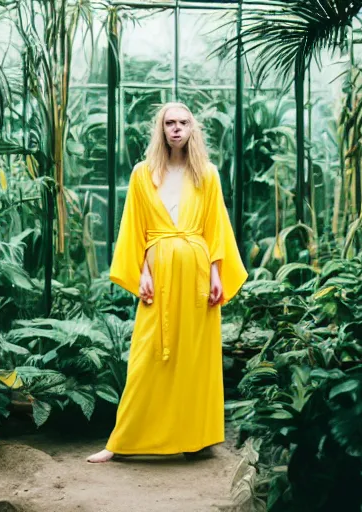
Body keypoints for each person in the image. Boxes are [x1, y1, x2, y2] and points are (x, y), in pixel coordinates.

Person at [86, 102, 247, 464]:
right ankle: (120, 442)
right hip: (158, 274)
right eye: (169, 123)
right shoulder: (143, 174)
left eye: (183, 122)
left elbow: (216, 227)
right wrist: (142, 270)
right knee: (146, 355)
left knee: (195, 359)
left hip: (197, 276)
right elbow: (134, 226)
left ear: (193, 129)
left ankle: (196, 439)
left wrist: (218, 275)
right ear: (160, 130)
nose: (176, 128)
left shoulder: (207, 175)